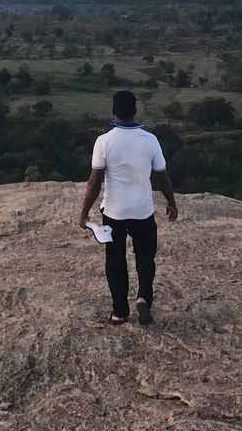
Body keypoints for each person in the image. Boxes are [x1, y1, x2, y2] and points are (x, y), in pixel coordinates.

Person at [79, 90, 178, 325]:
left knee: (115, 261)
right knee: (145, 257)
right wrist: (171, 202)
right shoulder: (150, 140)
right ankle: (144, 297)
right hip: (143, 211)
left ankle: (120, 311)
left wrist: (84, 213)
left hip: (114, 212)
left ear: (114, 111)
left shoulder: (104, 141)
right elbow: (162, 178)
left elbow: (95, 181)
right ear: (135, 111)